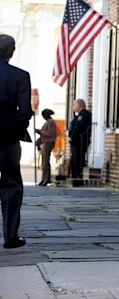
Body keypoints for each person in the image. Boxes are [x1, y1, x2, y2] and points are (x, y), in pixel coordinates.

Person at [0, 34, 33, 249]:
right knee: (11, 186)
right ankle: (10, 236)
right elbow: (25, 111)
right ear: (11, 53)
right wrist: (17, 128)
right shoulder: (20, 76)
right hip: (8, 138)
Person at [68, 99, 92, 179]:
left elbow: (78, 127)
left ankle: (77, 174)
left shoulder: (84, 115)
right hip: (75, 141)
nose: (73, 107)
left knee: (78, 158)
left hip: (79, 141)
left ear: (78, 106)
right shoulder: (78, 115)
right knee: (74, 158)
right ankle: (74, 174)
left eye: (74, 105)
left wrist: (72, 137)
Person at [35, 109, 57, 186]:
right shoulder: (48, 122)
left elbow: (49, 133)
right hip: (45, 142)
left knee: (45, 161)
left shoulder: (51, 122)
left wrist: (40, 131)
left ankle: (46, 179)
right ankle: (44, 179)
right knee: (44, 162)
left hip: (48, 142)